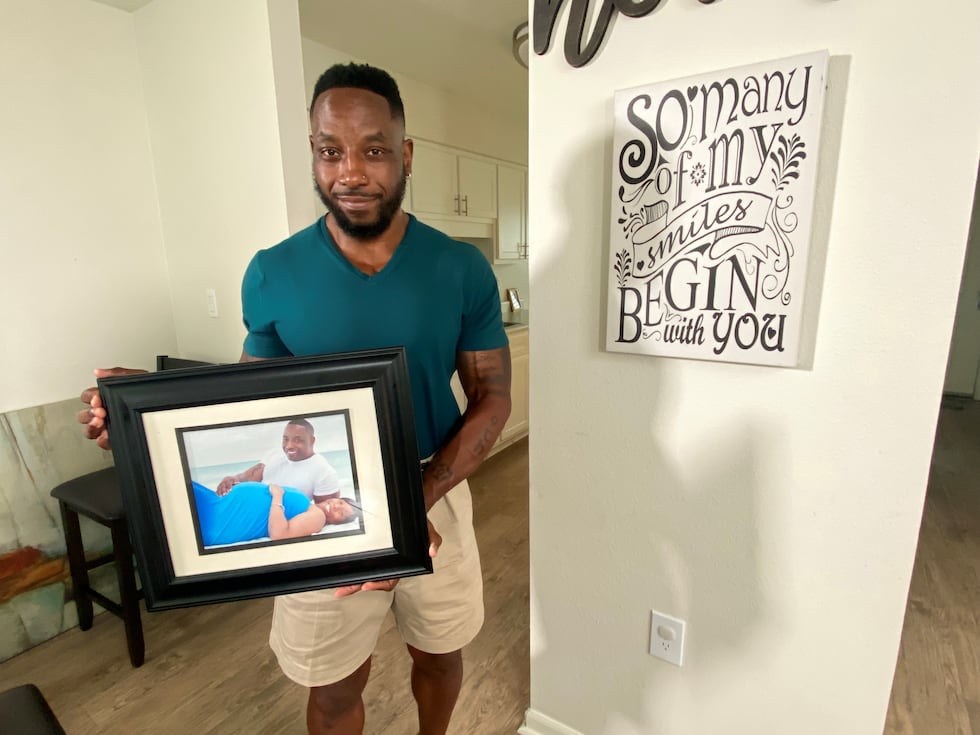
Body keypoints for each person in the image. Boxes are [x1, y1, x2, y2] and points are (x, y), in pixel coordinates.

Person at [79, 61, 511, 735]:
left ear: (406, 154)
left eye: (373, 150)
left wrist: (408, 501)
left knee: (440, 651)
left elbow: (492, 397)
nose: (350, 172)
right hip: (318, 503)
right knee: (334, 684)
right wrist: (149, 414)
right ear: (312, 152)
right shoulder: (272, 272)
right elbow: (256, 406)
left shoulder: (459, 269)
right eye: (329, 150)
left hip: (436, 486)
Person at [192, 480, 356, 547]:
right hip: (218, 504)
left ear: (336, 523)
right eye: (340, 503)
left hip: (220, 519)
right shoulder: (309, 505)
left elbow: (280, 534)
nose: (336, 507)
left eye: (340, 514)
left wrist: (277, 496)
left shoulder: (318, 518)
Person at [215, 417, 340, 500]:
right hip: (241, 507)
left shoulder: (324, 472)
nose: (289, 446)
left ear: (312, 441)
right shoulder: (274, 455)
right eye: (286, 439)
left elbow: (325, 514)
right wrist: (229, 480)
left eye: (298, 440)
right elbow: (244, 478)